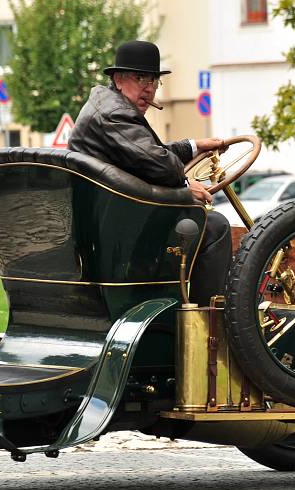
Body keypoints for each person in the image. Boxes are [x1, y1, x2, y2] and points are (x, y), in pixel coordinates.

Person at [68, 40, 231, 306]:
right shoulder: (115, 114)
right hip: (117, 232)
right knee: (214, 227)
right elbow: (160, 165)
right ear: (118, 79)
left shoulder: (108, 106)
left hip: (108, 223)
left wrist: (193, 146)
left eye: (154, 81)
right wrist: (186, 185)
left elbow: (145, 155)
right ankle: (209, 323)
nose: (149, 88)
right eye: (140, 78)